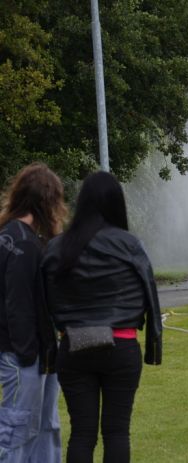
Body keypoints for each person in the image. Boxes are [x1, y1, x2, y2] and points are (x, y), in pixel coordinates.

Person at [42, 171, 163, 462]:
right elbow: (150, 293)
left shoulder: (58, 247)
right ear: (116, 204)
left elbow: (45, 299)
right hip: (121, 346)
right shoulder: (129, 244)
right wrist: (154, 345)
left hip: (73, 347)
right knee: (117, 432)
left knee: (82, 433)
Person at [0, 163, 66, 462]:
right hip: (25, 355)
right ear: (47, 202)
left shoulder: (12, 235)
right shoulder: (24, 245)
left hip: (41, 353)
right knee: (17, 429)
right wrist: (28, 356)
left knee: (45, 425)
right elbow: (18, 304)